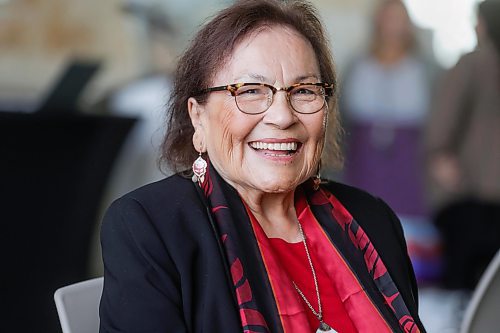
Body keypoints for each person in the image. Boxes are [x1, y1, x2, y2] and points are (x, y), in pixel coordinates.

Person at [99, 1, 426, 332]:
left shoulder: (372, 220)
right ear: (199, 118)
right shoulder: (150, 229)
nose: (283, 117)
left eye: (303, 91)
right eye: (251, 90)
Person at [424, 0, 500, 290]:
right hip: (484, 200)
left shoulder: (473, 63)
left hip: (472, 199)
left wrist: (441, 164)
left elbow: (440, 130)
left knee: (464, 295)